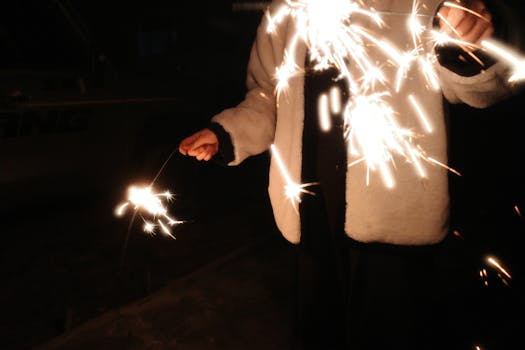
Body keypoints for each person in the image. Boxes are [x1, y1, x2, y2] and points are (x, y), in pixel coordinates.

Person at [179, 1, 521, 349]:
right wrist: (227, 133)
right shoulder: (286, 9)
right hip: (310, 219)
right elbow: (268, 94)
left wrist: (470, 43)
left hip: (394, 228)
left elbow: (484, 89)